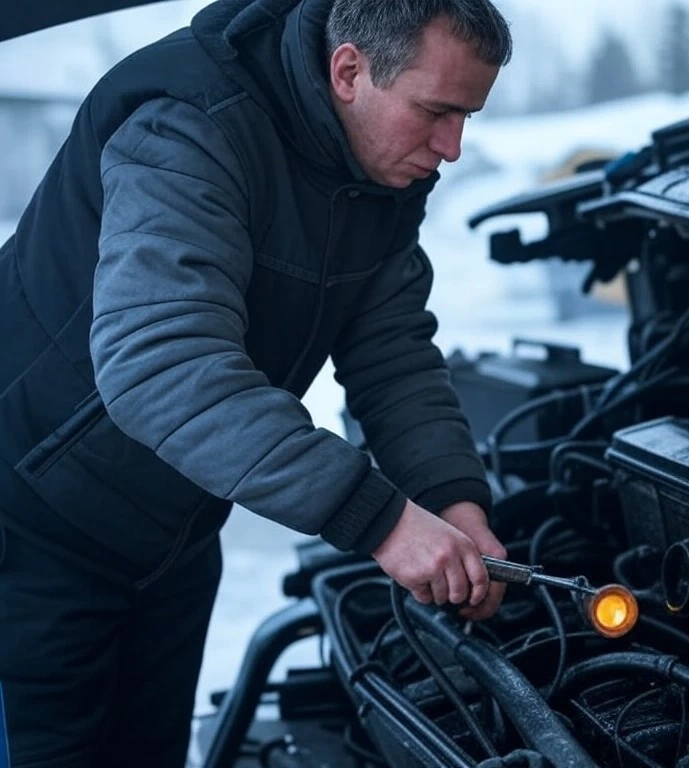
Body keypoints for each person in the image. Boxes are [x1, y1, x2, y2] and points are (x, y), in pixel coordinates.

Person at [0, 0, 513, 765]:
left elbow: (392, 352)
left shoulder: (378, 168)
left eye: (467, 116)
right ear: (349, 71)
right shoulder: (190, 125)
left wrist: (450, 498)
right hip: (33, 532)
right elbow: (160, 362)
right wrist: (378, 519)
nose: (454, 146)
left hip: (172, 533)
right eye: (436, 112)